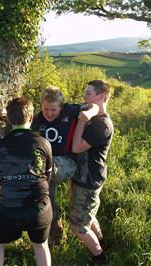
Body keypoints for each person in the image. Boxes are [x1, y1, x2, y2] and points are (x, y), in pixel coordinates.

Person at [0, 97, 53, 266]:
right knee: (41, 245)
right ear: (31, 118)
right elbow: (48, 175)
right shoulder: (43, 143)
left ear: (8, 119)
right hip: (39, 208)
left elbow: (1, 172)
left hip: (9, 209)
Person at [32, 86, 99, 245]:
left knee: (42, 165)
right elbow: (21, 122)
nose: (49, 113)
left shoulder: (70, 111)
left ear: (61, 107)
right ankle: (55, 237)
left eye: (53, 110)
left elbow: (94, 107)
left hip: (68, 162)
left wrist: (87, 114)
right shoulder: (38, 118)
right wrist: (7, 117)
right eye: (46, 109)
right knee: (48, 201)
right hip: (50, 168)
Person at [71, 80, 114, 266]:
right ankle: (102, 243)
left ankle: (99, 258)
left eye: (88, 93)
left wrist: (83, 119)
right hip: (84, 177)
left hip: (89, 180)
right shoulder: (95, 117)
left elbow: (77, 147)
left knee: (78, 228)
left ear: (101, 96)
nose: (84, 97)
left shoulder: (101, 125)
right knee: (89, 214)